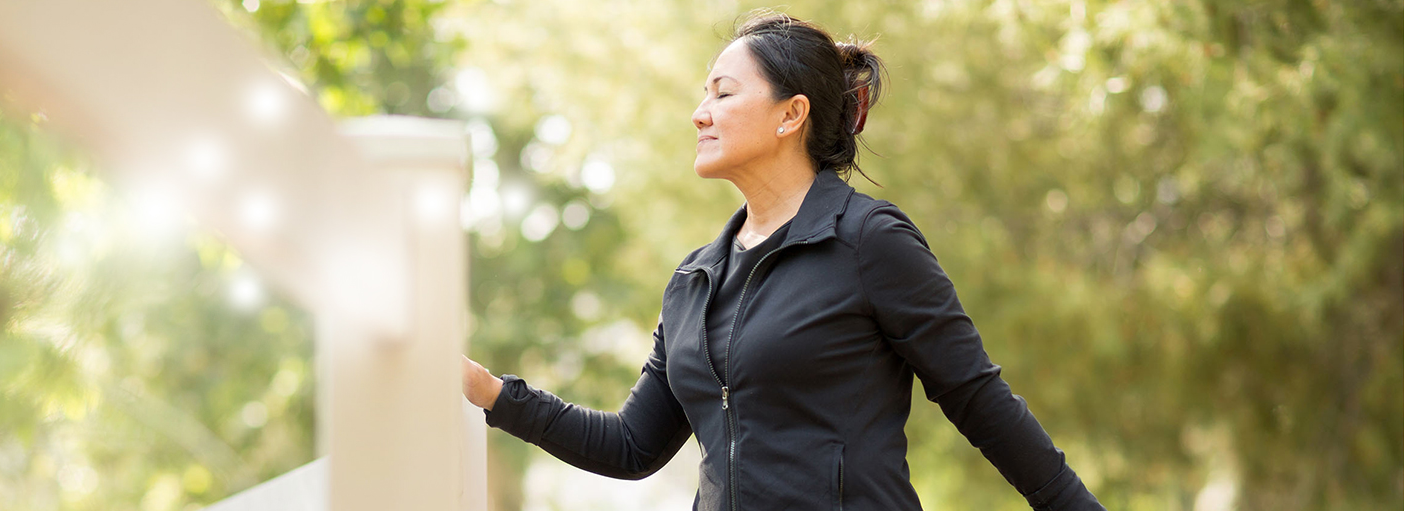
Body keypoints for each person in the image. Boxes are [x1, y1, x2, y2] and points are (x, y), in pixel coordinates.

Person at [462, 9, 1105, 511]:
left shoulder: (867, 239)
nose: (699, 113)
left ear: (790, 114)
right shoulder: (694, 281)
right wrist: (488, 392)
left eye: (722, 94)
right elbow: (631, 446)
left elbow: (978, 399)